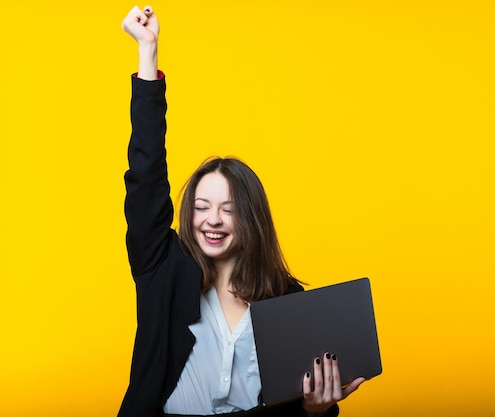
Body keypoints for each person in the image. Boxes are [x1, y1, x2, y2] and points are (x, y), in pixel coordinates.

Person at [119, 6, 365, 417]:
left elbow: (293, 406)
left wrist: (316, 409)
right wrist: (149, 56)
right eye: (201, 207)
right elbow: (145, 176)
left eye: (227, 209)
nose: (211, 220)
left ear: (251, 218)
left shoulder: (288, 300)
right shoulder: (163, 269)